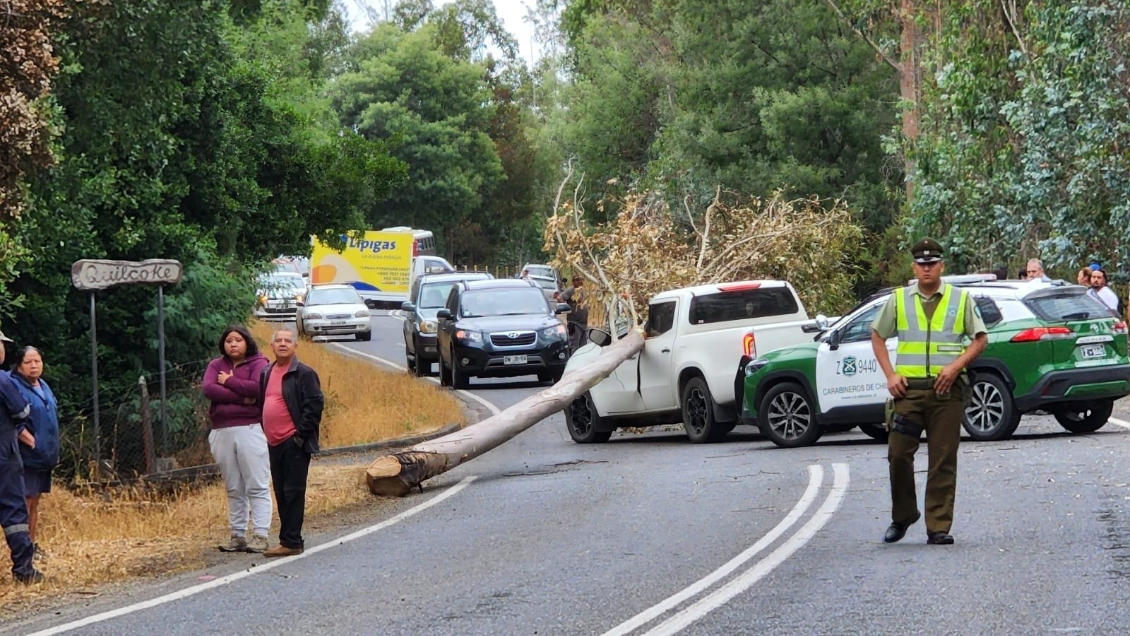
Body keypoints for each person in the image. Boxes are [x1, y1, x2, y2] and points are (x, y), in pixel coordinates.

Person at [871, 238, 988, 545]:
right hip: (908, 393)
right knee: (897, 455)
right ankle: (904, 515)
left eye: (932, 264)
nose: (926, 269)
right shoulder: (899, 299)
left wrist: (954, 367)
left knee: (943, 459)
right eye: (921, 264)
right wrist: (890, 375)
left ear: (941, 266)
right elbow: (877, 335)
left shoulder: (959, 299)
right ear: (914, 267)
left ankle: (938, 526)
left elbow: (979, 339)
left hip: (946, 393)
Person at [202, 326, 272, 553]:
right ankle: (238, 535)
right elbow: (209, 389)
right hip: (222, 430)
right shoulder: (216, 365)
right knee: (233, 486)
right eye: (229, 340)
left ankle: (260, 534)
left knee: (256, 484)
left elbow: (257, 388)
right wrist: (244, 398)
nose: (233, 344)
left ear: (247, 342)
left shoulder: (259, 363)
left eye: (238, 340)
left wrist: (230, 382)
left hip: (249, 429)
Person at [259, 328, 323, 558]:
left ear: (295, 346)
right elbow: (262, 403)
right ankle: (288, 539)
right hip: (273, 442)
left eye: (288, 341)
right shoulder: (266, 372)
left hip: (293, 442)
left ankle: (291, 541)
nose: (283, 344)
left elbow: (314, 405)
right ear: (272, 346)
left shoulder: (303, 373)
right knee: (280, 491)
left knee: (293, 491)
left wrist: (299, 436)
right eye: (278, 340)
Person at [9, 347, 59, 561]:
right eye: (29, 362)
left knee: (35, 499)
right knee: (26, 500)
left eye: (37, 361)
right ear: (19, 365)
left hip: (44, 455)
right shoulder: (15, 386)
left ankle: (32, 543)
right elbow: (14, 422)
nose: (34, 365)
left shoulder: (43, 385)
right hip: (27, 455)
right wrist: (33, 443)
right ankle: (24, 549)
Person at [0, 329, 41, 583]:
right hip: (3, 455)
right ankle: (24, 571)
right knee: (15, 513)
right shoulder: (3, 380)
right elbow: (22, 411)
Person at [559, 275, 590, 351]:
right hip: (575, 323)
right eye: (577, 280)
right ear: (573, 282)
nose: (579, 282)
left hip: (583, 324)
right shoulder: (571, 290)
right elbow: (560, 298)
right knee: (574, 347)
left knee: (583, 348)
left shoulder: (583, 290)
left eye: (581, 280)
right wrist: (567, 308)